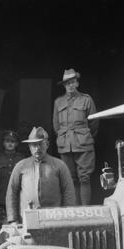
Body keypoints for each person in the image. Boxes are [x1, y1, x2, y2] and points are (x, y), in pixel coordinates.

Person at [6, 127, 76, 224]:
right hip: (27, 220)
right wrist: (13, 219)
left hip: (54, 220)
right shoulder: (21, 166)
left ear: (47, 144)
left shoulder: (60, 165)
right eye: (34, 145)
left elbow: (68, 192)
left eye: (40, 144)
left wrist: (68, 218)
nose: (37, 148)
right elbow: (12, 192)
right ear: (29, 147)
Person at [53, 68, 98, 205]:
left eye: (73, 82)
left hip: (83, 144)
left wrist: (85, 136)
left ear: (77, 83)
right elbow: (56, 125)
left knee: (84, 178)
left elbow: (94, 123)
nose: (70, 85)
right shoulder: (58, 102)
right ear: (64, 85)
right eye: (67, 83)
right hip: (65, 145)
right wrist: (64, 137)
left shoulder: (86, 99)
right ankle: (73, 209)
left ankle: (85, 208)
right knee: (70, 178)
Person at [0, 130, 24, 206]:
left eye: (13, 141)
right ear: (4, 143)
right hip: (1, 198)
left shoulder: (21, 159)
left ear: (17, 144)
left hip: (18, 197)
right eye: (7, 141)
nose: (10, 143)